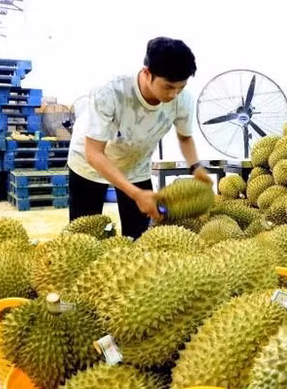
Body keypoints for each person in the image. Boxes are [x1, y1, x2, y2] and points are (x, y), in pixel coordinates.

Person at [66, 36, 211, 239]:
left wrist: (196, 166)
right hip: (89, 165)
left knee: (139, 238)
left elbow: (185, 138)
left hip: (135, 166)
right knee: (83, 239)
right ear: (147, 73)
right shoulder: (111, 93)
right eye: (168, 87)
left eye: (181, 87)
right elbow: (94, 153)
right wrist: (135, 194)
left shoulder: (182, 100)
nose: (174, 94)